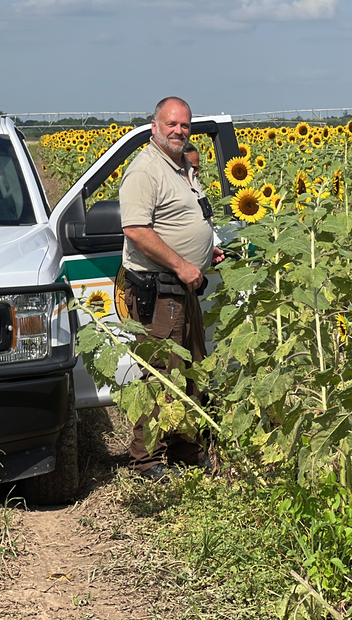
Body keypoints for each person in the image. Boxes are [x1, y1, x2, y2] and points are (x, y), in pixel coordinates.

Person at [118, 96, 224, 480]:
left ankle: (184, 448)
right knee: (162, 371)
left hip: (185, 285)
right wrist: (182, 264)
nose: (179, 130)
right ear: (154, 127)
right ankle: (148, 460)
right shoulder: (146, 170)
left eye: (185, 125)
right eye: (172, 124)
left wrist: (204, 250)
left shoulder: (181, 167)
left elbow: (178, 221)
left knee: (190, 367)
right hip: (160, 288)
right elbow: (136, 230)